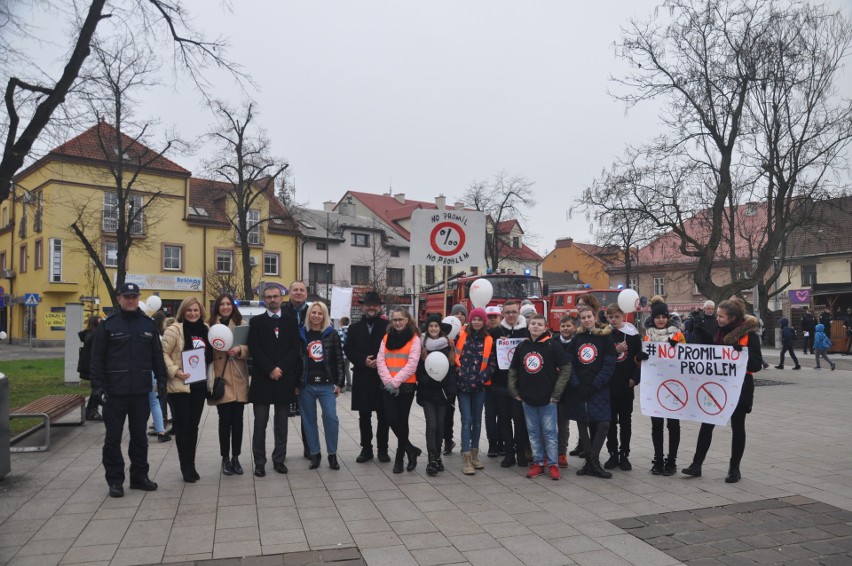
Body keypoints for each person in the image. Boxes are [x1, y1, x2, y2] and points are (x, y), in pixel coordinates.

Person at [90, 282, 167, 498]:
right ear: (119, 298)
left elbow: (157, 356)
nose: (131, 300)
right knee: (113, 439)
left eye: (134, 296)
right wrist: (97, 387)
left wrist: (162, 380)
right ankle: (115, 480)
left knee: (140, 438)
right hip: (115, 393)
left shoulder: (147, 324)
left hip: (140, 392)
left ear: (138, 297)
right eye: (127, 296)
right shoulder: (109, 326)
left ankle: (139, 476)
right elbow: (97, 359)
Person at [682, 299, 764, 483]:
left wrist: (740, 353)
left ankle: (734, 469)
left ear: (733, 318)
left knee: (737, 426)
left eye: (721, 316)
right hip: (717, 386)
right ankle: (696, 465)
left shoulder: (750, 335)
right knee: (707, 422)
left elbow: (756, 364)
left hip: (741, 387)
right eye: (717, 315)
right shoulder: (717, 331)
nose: (717, 318)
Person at [508, 313, 571, 481]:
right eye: (533, 323)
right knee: (533, 433)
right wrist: (514, 392)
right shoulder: (522, 346)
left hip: (548, 400)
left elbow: (566, 368)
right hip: (527, 399)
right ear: (528, 326)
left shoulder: (552, 345)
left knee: (550, 433)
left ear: (545, 327)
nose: (536, 326)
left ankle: (553, 465)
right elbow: (513, 370)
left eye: (539, 324)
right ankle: (538, 463)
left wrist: (556, 393)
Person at [248, 284, 301, 476]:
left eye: (275, 296)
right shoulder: (256, 322)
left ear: (281, 298)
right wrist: (270, 369)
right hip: (263, 379)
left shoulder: (290, 321)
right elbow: (255, 349)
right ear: (264, 299)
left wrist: (281, 369)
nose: (272, 300)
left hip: (284, 379)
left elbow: (294, 349)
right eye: (268, 297)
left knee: (282, 424)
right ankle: (259, 462)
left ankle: (279, 459)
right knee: (260, 424)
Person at [162, 296, 213, 483]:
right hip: (180, 386)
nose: (192, 313)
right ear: (183, 312)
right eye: (189, 310)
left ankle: (191, 464)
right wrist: (175, 371)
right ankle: (185, 467)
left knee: (193, 427)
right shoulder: (174, 330)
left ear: (201, 312)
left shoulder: (206, 329)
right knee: (183, 428)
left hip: (199, 386)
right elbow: (162, 353)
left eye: (196, 310)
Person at [564, 305, 616, 479]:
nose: (586, 320)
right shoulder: (577, 338)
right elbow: (569, 364)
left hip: (598, 387)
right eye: (583, 317)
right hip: (579, 387)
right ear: (580, 319)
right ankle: (590, 462)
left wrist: (595, 385)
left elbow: (609, 364)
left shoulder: (605, 337)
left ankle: (593, 460)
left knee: (603, 423)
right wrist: (577, 384)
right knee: (582, 422)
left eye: (589, 317)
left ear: (595, 317)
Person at [639, 298, 685, 476]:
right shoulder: (647, 336)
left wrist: (679, 348)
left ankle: (671, 461)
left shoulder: (677, 335)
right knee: (656, 425)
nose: (660, 320)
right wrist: (639, 357)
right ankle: (658, 459)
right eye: (657, 317)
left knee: (673, 425)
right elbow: (641, 363)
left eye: (663, 317)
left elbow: (688, 359)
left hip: (674, 387)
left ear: (668, 318)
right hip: (655, 387)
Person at [345, 291, 391, 464]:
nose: (371, 307)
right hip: (362, 376)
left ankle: (383, 449)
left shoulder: (388, 327)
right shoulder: (354, 328)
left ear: (379, 307)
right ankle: (366, 449)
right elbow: (348, 349)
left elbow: (393, 348)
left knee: (383, 416)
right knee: (364, 416)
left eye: (375, 305)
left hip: (382, 377)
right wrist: (363, 360)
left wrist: (379, 361)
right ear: (363, 307)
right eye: (368, 304)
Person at [207, 293, 250, 476]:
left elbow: (251, 348)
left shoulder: (242, 324)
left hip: (238, 376)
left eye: (228, 304)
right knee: (224, 421)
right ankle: (225, 457)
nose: (225, 307)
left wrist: (240, 349)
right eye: (222, 304)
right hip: (221, 378)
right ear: (217, 307)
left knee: (238, 421)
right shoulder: (209, 326)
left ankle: (236, 457)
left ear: (232, 306)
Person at [299, 301, 345, 470]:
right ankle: (315, 454)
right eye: (313, 312)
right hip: (306, 385)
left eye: (320, 313)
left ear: (324, 316)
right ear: (309, 314)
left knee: (331, 418)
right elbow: (297, 360)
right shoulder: (302, 333)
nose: (316, 316)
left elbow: (339, 359)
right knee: (309, 420)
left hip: (327, 385)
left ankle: (332, 455)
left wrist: (339, 383)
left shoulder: (331, 334)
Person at [377, 307, 423, 473]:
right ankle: (411, 450)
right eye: (394, 320)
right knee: (390, 419)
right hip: (388, 385)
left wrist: (395, 382)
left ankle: (399, 458)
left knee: (402, 421)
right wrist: (389, 381)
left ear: (407, 320)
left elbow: (412, 364)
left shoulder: (415, 339)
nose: (397, 323)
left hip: (406, 386)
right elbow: (380, 360)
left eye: (400, 319)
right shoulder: (386, 337)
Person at [455, 307, 496, 475]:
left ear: (484, 321)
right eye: (474, 319)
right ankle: (465, 456)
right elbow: (455, 357)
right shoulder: (461, 336)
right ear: (470, 321)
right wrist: (462, 374)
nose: (477, 322)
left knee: (477, 420)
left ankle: (474, 453)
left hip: (479, 385)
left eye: (480, 319)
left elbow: (492, 362)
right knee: (467, 419)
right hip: (463, 385)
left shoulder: (488, 339)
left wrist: (481, 377)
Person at [490, 300, 530, 468]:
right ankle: (508, 453)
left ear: (519, 311)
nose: (511, 315)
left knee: (519, 420)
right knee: (504, 420)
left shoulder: (527, 331)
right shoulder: (495, 332)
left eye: (514, 311)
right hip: (500, 382)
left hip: (521, 384)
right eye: (508, 312)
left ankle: (521, 452)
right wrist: (498, 344)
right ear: (503, 314)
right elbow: (490, 354)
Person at [416, 314, 455, 476]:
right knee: (431, 425)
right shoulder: (420, 346)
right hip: (427, 392)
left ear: (440, 328)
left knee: (440, 426)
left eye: (436, 326)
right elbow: (418, 370)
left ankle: (438, 456)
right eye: (431, 326)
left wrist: (450, 390)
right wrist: (430, 380)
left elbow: (452, 370)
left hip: (443, 393)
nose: (433, 328)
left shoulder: (448, 345)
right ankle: (431, 458)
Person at [603, 304, 641, 472]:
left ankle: (624, 453)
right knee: (610, 422)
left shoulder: (632, 335)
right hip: (609, 385)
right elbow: (601, 356)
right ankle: (612, 453)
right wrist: (615, 349)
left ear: (623, 316)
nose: (614, 320)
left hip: (626, 384)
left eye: (617, 317)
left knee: (625, 421)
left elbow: (639, 358)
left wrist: (635, 378)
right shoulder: (604, 335)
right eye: (610, 317)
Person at [282, 281, 309, 451]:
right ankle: (281, 451)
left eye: (301, 290)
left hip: (307, 368)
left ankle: (310, 448)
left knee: (307, 413)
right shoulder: (282, 312)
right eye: (295, 290)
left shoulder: (313, 312)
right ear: (290, 293)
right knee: (282, 415)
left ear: (306, 293)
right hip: (286, 368)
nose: (298, 293)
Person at [443, 303, 468, 455]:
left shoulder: (469, 332)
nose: (459, 316)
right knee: (448, 412)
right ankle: (447, 441)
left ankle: (467, 442)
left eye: (462, 314)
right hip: (450, 377)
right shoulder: (445, 332)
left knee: (466, 413)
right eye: (456, 313)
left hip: (465, 377)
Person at [554, 315, 577, 468]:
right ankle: (548, 452)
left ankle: (562, 453)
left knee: (563, 425)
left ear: (574, 327)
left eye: (568, 326)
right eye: (563, 326)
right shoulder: (553, 342)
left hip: (569, 389)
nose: (565, 329)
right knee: (549, 425)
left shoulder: (577, 342)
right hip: (553, 389)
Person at [483, 305, 503, 457]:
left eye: (495, 317)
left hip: (502, 381)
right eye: (489, 317)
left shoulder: (506, 334)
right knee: (490, 415)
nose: (492, 320)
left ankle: (502, 443)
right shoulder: (482, 335)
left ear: (500, 317)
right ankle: (492, 445)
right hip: (487, 382)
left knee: (503, 414)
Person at [78, 315, 103, 421]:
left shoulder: (90, 334)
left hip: (90, 366)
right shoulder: (93, 335)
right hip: (92, 367)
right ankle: (92, 411)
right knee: (97, 389)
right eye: (100, 322)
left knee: (96, 389)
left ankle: (90, 411)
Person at [337, 317, 352, 389]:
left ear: (341, 322)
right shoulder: (351, 331)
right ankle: (349, 384)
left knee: (341, 370)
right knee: (347, 369)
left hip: (341, 354)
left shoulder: (339, 331)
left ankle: (342, 386)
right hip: (348, 354)